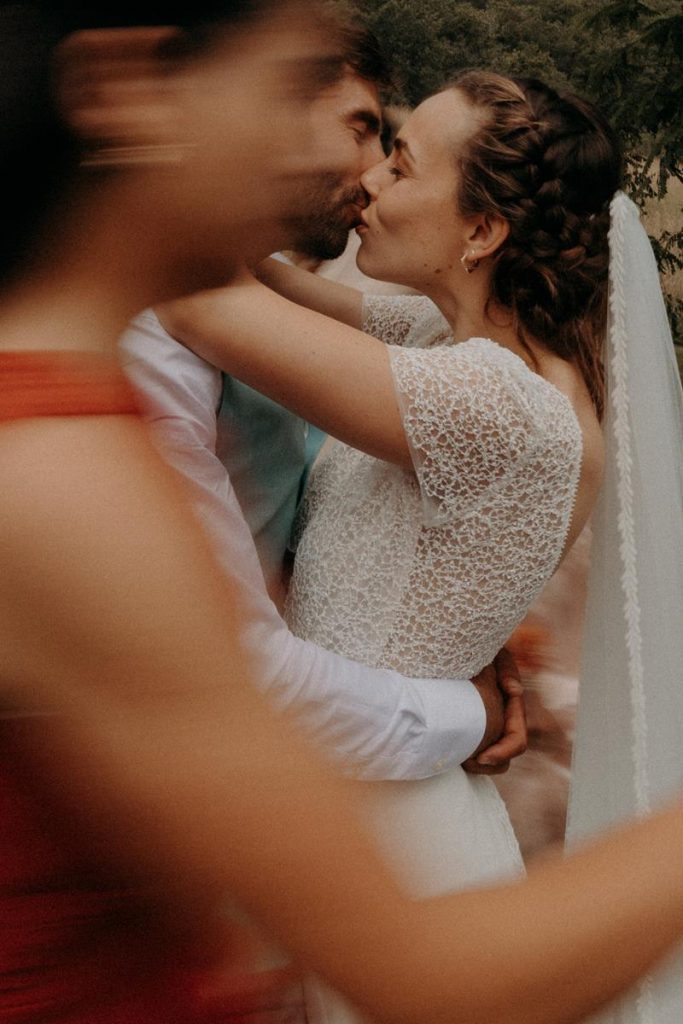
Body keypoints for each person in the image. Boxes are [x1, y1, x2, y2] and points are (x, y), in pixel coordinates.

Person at [5, 7, 683, 1022]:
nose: (346, 166)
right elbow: (241, 291)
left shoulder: (494, 398)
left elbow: (220, 304)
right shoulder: (428, 330)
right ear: (126, 87)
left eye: (394, 156)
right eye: (291, 93)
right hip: (338, 803)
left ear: (483, 231)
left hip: (387, 819)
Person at [119, 20, 525, 790]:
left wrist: (438, 636)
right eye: (363, 127)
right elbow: (230, 674)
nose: (373, 173)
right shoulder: (154, 325)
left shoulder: (264, 308)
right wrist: (457, 711)